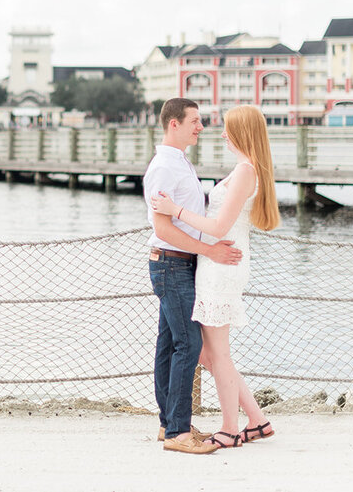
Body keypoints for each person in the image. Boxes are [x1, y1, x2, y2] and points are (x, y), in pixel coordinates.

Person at [151, 104, 280, 449]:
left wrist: (176, 210)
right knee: (210, 353)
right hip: (216, 263)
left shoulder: (244, 171)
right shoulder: (242, 170)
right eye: (199, 122)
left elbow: (220, 226)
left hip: (221, 266)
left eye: (226, 128)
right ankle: (255, 420)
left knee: (215, 354)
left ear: (241, 133)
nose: (219, 132)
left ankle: (229, 427)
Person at [144, 98, 242, 455]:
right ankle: (178, 433)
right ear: (175, 124)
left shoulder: (179, 161)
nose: (201, 127)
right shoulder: (164, 168)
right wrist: (210, 250)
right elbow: (163, 227)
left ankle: (168, 423)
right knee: (189, 344)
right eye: (195, 121)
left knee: (170, 344)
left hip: (180, 263)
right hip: (171, 262)